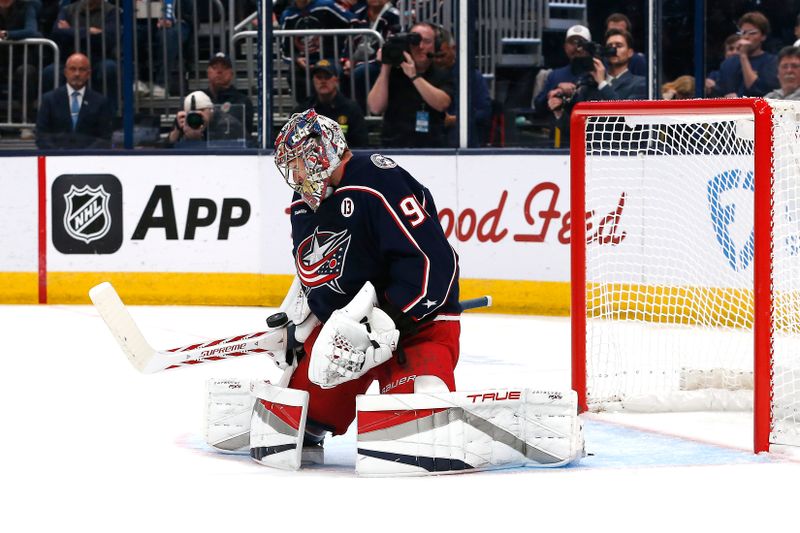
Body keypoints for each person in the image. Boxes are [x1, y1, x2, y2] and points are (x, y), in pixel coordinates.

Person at [270, 107, 461, 456]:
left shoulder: (377, 180)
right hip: (344, 337)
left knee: (415, 426)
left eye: (297, 163)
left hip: (417, 327)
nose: (295, 176)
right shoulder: (301, 205)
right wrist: (302, 325)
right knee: (292, 423)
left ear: (319, 152)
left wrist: (389, 319)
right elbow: (318, 274)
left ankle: (426, 400)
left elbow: (437, 262)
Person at [547, 29, 646, 146]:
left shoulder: (640, 84)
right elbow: (574, 131)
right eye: (609, 46)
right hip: (591, 158)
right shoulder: (589, 85)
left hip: (623, 157)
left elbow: (626, 117)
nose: (613, 50)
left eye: (619, 46)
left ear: (630, 52)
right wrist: (559, 112)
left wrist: (602, 83)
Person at [367, 21, 454, 147]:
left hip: (432, 148)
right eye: (415, 41)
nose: (420, 46)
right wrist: (386, 66)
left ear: (436, 45)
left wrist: (414, 76)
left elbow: (442, 104)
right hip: (393, 145)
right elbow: (375, 108)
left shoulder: (442, 73)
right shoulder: (393, 72)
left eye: (427, 41)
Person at [44, 0, 120, 111]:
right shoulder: (68, 9)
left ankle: (109, 117)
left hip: (98, 58)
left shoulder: (111, 11)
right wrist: (89, 31)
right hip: (69, 58)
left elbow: (108, 38)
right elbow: (56, 32)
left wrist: (71, 31)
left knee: (109, 68)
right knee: (50, 72)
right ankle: (54, 117)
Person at [279, 0, 354, 104]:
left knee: (333, 72)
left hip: (331, 59)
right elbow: (284, 50)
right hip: (306, 63)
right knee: (294, 73)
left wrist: (346, 56)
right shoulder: (287, 15)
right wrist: (296, 59)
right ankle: (307, 112)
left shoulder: (327, 5)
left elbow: (354, 21)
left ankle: (337, 111)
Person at [35, 52, 113, 149]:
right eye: (72, 69)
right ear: (65, 72)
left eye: (82, 70)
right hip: (56, 160)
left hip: (89, 160)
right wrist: (58, 154)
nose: (77, 74)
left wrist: (83, 156)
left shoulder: (100, 102)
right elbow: (41, 135)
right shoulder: (49, 99)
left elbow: (104, 138)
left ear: (88, 74)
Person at [433, 26, 491, 147]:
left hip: (463, 143)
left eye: (442, 55)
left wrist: (455, 119)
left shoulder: (470, 76)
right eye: (434, 56)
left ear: (453, 49)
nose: (437, 60)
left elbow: (484, 112)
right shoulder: (425, 76)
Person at [292, 59, 368, 147]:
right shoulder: (303, 111)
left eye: (327, 77)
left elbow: (361, 145)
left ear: (336, 80)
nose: (323, 81)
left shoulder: (351, 109)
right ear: (313, 81)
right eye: (319, 77)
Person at [345, 0, 400, 112]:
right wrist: (346, 60)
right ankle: (345, 116)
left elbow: (389, 48)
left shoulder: (394, 16)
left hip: (383, 62)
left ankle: (364, 116)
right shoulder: (358, 15)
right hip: (357, 61)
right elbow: (348, 43)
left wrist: (356, 63)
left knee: (360, 72)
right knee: (338, 71)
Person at [134, 0, 193, 98]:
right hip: (145, 20)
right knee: (133, 32)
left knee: (168, 35)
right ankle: (136, 80)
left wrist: (169, 16)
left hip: (179, 19)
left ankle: (162, 85)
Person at [0, 0, 42, 135]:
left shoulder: (26, 7)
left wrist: (7, 35)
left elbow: (31, 30)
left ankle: (26, 123)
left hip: (21, 59)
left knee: (25, 72)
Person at [715, 11, 778, 97]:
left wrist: (743, 56)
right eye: (743, 33)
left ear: (763, 36)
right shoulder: (728, 63)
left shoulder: (772, 62)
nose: (747, 37)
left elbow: (756, 90)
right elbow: (718, 92)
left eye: (752, 33)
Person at [533, 25, 592, 117]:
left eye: (581, 43)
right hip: (560, 128)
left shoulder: (597, 72)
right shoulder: (555, 75)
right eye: (572, 42)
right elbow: (538, 106)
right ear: (565, 47)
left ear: (590, 47)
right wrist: (555, 91)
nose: (576, 47)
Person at [167, 90, 245, 148]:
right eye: (191, 112)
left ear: (211, 109)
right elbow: (165, 151)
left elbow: (217, 154)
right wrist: (176, 131)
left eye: (201, 110)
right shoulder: (186, 122)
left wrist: (196, 138)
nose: (196, 115)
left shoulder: (227, 125)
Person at [203, 52, 255, 139]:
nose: (219, 71)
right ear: (208, 72)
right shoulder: (197, 97)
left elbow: (244, 134)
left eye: (224, 67)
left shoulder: (242, 101)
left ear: (231, 73)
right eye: (215, 67)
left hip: (232, 150)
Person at [604, 12, 647, 77]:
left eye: (620, 31)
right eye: (611, 31)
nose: (615, 35)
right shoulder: (601, 61)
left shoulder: (638, 61)